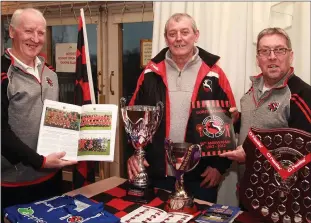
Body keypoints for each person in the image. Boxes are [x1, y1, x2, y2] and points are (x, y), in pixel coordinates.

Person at [127, 13, 237, 203]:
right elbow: (132, 119)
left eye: (185, 32)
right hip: (157, 174)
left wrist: (219, 167)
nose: (179, 38)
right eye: (173, 33)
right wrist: (134, 154)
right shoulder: (149, 73)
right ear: (166, 38)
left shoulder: (215, 73)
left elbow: (231, 121)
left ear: (196, 35)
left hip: (200, 178)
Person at [1, 8, 77, 215]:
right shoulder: (3, 74)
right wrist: (40, 161)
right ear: (12, 32)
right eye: (29, 31)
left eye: (41, 32)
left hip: (51, 178)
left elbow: (59, 119)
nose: (35, 38)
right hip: (13, 184)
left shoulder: (50, 73)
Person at [220, 28, 311, 182]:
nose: (272, 57)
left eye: (279, 50)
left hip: (281, 193)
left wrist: (252, 154)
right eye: (265, 51)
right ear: (258, 59)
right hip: (248, 188)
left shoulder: (301, 94)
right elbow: (261, 125)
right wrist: (237, 121)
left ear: (291, 56)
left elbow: (303, 151)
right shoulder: (252, 89)